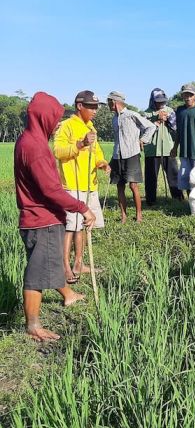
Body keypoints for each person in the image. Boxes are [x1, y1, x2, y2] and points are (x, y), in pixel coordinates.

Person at [15, 92, 96, 342]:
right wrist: (82, 207)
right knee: (36, 275)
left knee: (45, 264)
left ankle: (67, 294)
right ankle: (34, 326)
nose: (56, 123)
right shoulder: (36, 148)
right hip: (43, 219)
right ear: (43, 117)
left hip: (38, 217)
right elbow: (51, 190)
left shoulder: (28, 140)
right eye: (54, 118)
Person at [53, 90, 110, 284]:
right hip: (73, 185)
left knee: (85, 226)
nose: (95, 111)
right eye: (91, 107)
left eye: (96, 107)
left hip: (90, 184)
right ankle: (65, 267)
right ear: (80, 106)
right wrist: (79, 144)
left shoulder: (91, 126)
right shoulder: (67, 126)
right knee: (71, 227)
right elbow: (58, 152)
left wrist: (101, 163)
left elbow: (97, 152)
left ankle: (79, 263)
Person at [106, 91, 156, 223]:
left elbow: (150, 127)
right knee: (119, 186)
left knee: (133, 185)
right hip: (117, 155)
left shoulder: (132, 115)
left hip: (132, 154)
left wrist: (143, 140)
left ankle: (139, 215)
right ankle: (123, 215)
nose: (108, 104)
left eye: (109, 101)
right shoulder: (114, 119)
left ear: (114, 102)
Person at [142, 88, 183, 204]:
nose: (161, 103)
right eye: (158, 101)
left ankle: (178, 199)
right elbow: (143, 131)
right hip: (152, 150)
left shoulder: (170, 111)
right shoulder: (146, 113)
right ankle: (150, 201)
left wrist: (168, 119)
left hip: (168, 149)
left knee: (173, 176)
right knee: (151, 178)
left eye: (163, 101)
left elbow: (176, 128)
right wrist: (157, 120)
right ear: (153, 100)